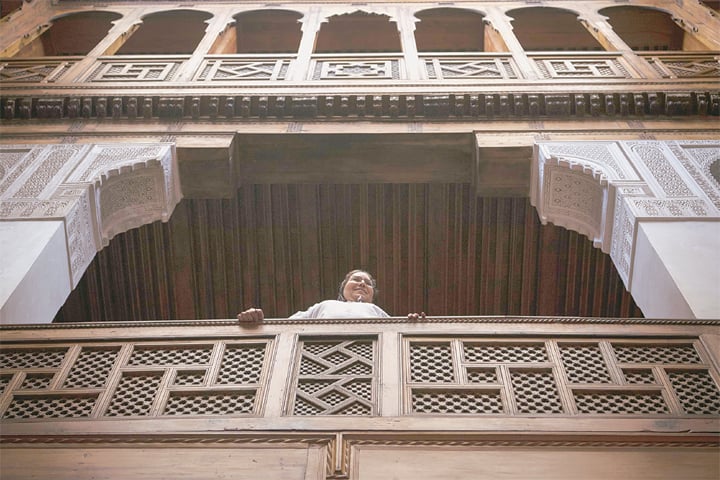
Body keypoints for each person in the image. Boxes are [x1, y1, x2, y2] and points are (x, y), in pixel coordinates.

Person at [237, 269, 426, 323]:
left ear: (372, 295)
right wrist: (255, 321)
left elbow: (398, 337)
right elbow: (286, 327)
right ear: (343, 288)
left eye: (367, 283)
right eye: (356, 279)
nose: (362, 284)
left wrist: (415, 324)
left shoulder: (377, 311)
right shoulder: (324, 306)